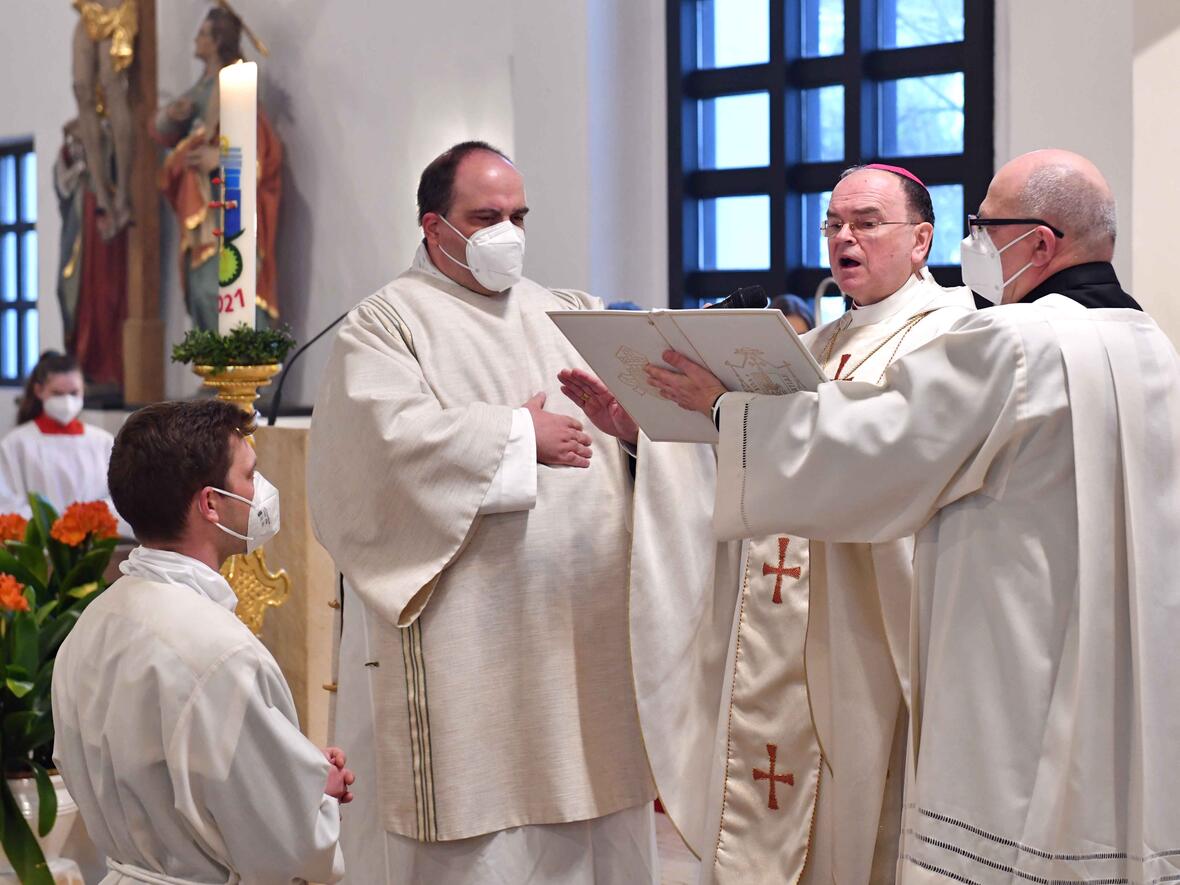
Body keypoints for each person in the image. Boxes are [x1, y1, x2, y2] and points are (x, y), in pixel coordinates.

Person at [647, 149, 1180, 884]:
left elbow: (878, 440)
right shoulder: (1151, 345)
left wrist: (719, 409)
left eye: (986, 226)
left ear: (1042, 242)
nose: (978, 244)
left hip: (1013, 654)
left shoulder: (1016, 341)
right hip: (1119, 657)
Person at [563, 163, 974, 883]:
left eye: (867, 222)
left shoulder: (950, 337)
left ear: (921, 239)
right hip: (779, 630)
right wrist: (645, 432)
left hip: (869, 633)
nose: (845, 237)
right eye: (834, 224)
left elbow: (880, 460)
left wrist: (734, 414)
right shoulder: (815, 342)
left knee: (863, 823)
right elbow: (741, 455)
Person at [308, 141, 689, 884]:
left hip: (580, 642)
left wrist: (632, 433)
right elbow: (377, 455)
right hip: (470, 654)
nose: (506, 232)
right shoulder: (386, 325)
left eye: (518, 215)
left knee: (599, 831)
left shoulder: (571, 314)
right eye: (485, 217)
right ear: (432, 225)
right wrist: (518, 437)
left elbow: (657, 448)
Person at [52, 399, 352, 885]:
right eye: (250, 476)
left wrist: (291, 767)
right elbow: (291, 850)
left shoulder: (93, 622)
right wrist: (314, 794)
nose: (262, 493)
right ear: (210, 503)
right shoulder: (222, 653)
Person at [153, 3, 282, 331]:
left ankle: (243, 369)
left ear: (216, 40)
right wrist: (171, 116)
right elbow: (159, 131)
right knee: (200, 289)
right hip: (200, 207)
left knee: (226, 285)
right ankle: (214, 371)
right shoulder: (200, 91)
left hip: (231, 212)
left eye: (203, 34)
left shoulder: (235, 90)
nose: (195, 39)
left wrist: (219, 161)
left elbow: (261, 158)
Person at [0, 351, 127, 532]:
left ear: (83, 390)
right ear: (39, 391)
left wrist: (88, 519)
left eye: (74, 393)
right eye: (58, 393)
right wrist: (52, 526)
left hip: (93, 540)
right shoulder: (16, 444)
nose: (67, 401)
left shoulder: (103, 442)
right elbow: (6, 501)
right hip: (40, 545)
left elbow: (119, 497)